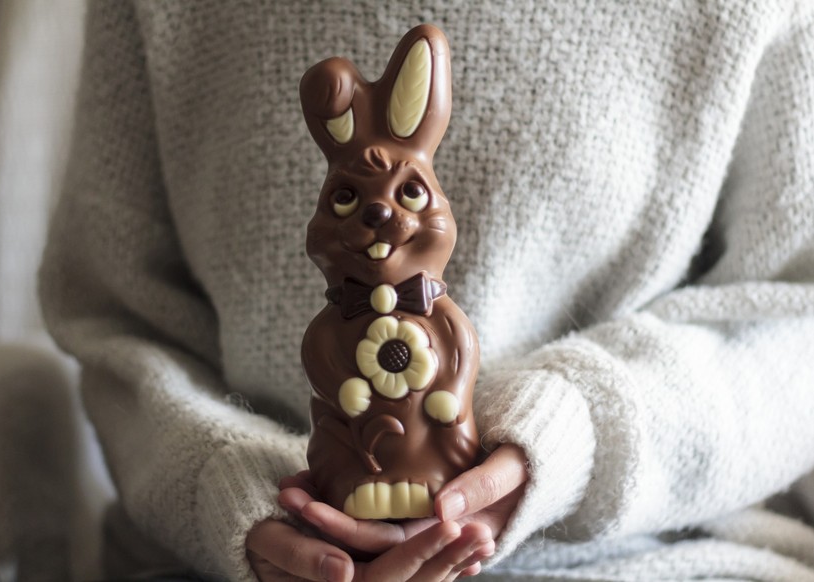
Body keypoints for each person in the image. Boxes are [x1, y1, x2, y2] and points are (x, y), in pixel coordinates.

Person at [40, 1, 814, 580]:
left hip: (642, 557)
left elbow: (792, 323)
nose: (379, 215)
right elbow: (116, 320)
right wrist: (225, 489)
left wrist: (569, 438)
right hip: (219, 561)